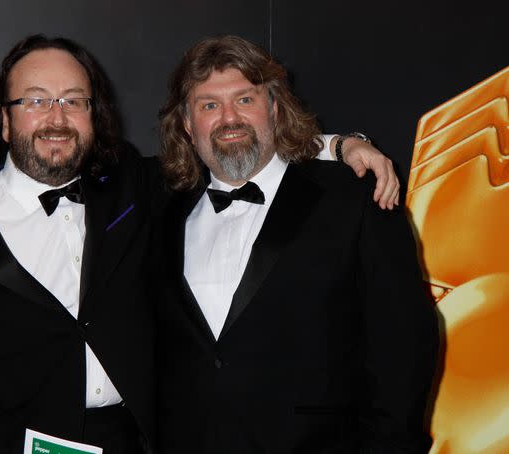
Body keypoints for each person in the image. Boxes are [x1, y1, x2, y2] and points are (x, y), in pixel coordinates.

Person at [0, 34, 398, 454]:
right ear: (5, 117)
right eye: (36, 101)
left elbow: (232, 143)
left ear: (92, 114)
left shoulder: (131, 186)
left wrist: (341, 145)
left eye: (74, 102)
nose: (56, 118)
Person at [155, 35, 438, 453]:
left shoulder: (353, 199)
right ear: (186, 122)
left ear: (273, 107)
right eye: (209, 105)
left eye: (245, 100)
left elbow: (405, 348)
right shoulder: (160, 208)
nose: (229, 118)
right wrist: (341, 143)